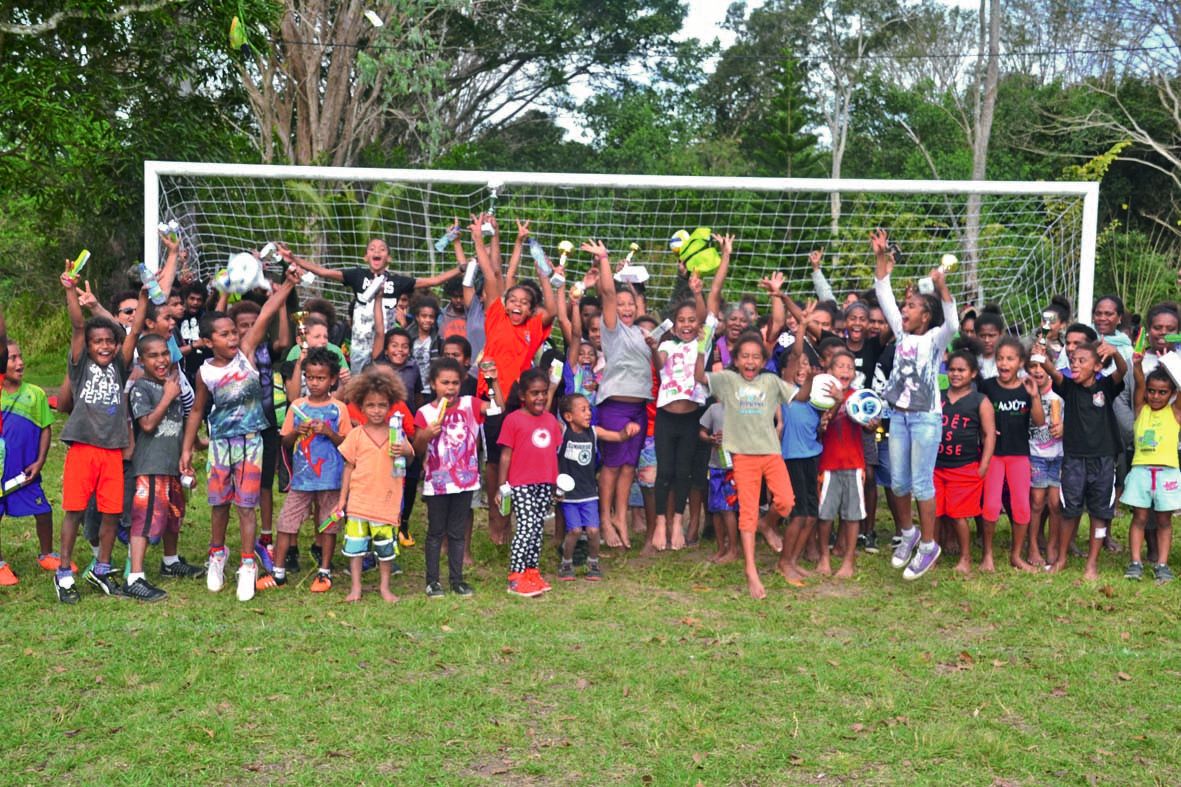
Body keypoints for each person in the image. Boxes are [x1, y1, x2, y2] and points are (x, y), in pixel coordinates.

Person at [180, 271, 296, 602]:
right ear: (208, 340)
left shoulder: (246, 353)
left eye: (234, 333)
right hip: (220, 444)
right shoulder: (205, 372)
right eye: (224, 334)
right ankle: (218, 553)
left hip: (250, 442)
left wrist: (286, 287)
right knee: (219, 504)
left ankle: (248, 563)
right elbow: (198, 412)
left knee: (247, 505)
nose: (233, 338)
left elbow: (266, 314)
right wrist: (187, 449)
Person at [694, 315, 811, 600]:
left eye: (755, 357)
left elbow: (802, 396)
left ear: (763, 360)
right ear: (735, 359)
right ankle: (751, 571)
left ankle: (767, 524)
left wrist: (810, 374)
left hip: (771, 453)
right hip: (743, 457)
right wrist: (701, 346)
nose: (749, 362)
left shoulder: (771, 382)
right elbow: (699, 376)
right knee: (746, 514)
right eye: (744, 356)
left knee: (785, 501)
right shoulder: (728, 380)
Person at [872, 229, 959, 581]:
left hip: (925, 419)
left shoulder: (936, 341)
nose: (903, 310)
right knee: (898, 482)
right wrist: (880, 256)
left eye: (911, 307)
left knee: (922, 484)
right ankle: (907, 535)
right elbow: (882, 292)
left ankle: (928, 545)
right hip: (899, 417)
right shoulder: (901, 333)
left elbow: (952, 322)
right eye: (904, 307)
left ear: (925, 317)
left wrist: (940, 288)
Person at [54, 266, 139, 603]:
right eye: (97, 342)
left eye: (109, 342)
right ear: (87, 347)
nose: (104, 346)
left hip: (112, 450)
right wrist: (70, 291)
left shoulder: (120, 364)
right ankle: (63, 573)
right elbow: (78, 325)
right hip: (83, 448)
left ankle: (102, 568)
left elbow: (129, 332)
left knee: (111, 512)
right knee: (74, 509)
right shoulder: (80, 363)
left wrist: (145, 295)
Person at [277, 239, 462, 373]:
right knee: (359, 386)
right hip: (361, 346)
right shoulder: (358, 276)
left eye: (382, 249)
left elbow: (434, 280)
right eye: (372, 248)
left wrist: (461, 268)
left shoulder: (397, 281)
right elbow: (324, 272)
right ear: (366, 256)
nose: (377, 251)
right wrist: (295, 259)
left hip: (385, 347)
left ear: (388, 257)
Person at [579, 239, 654, 550]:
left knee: (628, 467)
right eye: (621, 305)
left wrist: (629, 279)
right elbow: (609, 293)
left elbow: (634, 299)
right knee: (611, 466)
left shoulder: (642, 332)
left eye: (630, 305)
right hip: (614, 407)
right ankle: (605, 520)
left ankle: (621, 518)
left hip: (639, 409)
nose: (625, 308)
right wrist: (605, 260)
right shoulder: (612, 329)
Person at [1037, 338, 1126, 578]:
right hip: (1074, 460)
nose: (1075, 364)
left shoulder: (1105, 387)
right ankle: (1062, 558)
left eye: (1081, 361)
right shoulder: (1069, 388)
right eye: (1073, 360)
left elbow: (1123, 370)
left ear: (1097, 367)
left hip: (1104, 461)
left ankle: (1092, 564)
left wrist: (1115, 353)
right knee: (1070, 510)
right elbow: (1053, 372)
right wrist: (1041, 356)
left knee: (1099, 513)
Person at [413, 357, 501, 598]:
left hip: (465, 481)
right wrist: (427, 434)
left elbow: (496, 408)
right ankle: (432, 581)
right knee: (435, 532)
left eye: (454, 383)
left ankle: (457, 580)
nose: (450, 388)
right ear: (433, 384)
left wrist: (493, 381)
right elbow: (417, 448)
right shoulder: (424, 413)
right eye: (444, 383)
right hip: (437, 484)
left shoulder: (469, 404)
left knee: (457, 532)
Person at [275, 347, 350, 592]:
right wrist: (298, 430)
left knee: (328, 525)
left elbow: (347, 444)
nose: (314, 383)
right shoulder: (297, 406)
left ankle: (324, 571)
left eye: (320, 378)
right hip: (302, 479)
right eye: (310, 377)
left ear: (332, 379)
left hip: (330, 479)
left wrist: (329, 432)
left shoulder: (338, 408)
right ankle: (278, 572)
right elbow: (285, 442)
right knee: (287, 522)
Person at [336, 370, 413, 602]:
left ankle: (384, 587)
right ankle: (356, 587)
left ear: (390, 405)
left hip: (386, 502)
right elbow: (348, 468)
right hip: (359, 502)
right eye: (371, 405)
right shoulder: (356, 435)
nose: (377, 410)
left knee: (385, 549)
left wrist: (406, 450)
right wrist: (342, 500)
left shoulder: (396, 434)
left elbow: (410, 457)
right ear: (361, 405)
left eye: (382, 405)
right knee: (356, 548)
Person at [651, 281, 711, 551]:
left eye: (692, 320)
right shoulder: (667, 345)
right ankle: (661, 523)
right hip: (666, 417)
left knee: (683, 472)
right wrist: (653, 347)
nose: (687, 324)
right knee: (664, 472)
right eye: (681, 320)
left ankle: (678, 523)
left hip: (690, 418)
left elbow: (705, 313)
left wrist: (698, 292)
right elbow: (660, 365)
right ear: (674, 324)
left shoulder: (702, 345)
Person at [555, 393, 640, 582]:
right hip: (569, 496)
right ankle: (566, 563)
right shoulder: (562, 432)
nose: (588, 413)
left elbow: (618, 436)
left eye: (589, 409)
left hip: (589, 494)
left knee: (593, 531)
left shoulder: (594, 432)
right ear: (568, 416)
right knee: (575, 531)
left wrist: (628, 429)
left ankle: (593, 563)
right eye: (583, 410)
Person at [978, 337, 1045, 572]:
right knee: (992, 505)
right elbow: (977, 416)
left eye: (1010, 359)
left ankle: (1016, 555)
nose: (1004, 363)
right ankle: (987, 555)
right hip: (994, 455)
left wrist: (1035, 395)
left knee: (1021, 506)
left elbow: (1039, 421)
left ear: (1020, 362)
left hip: (1018, 455)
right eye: (1000, 358)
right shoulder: (987, 387)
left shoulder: (1027, 387)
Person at [1, 336, 63, 585]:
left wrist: (40, 461)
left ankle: (47, 553)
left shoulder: (36, 394)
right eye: (12, 358)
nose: (20, 362)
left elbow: (45, 428)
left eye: (20, 356)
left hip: (25, 473)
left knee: (44, 511)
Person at [497, 368, 562, 597]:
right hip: (520, 483)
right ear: (523, 396)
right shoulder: (513, 420)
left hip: (545, 483)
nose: (540, 398)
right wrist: (502, 485)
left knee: (536, 528)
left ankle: (531, 571)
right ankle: (515, 577)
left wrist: (557, 484)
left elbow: (553, 453)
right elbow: (506, 455)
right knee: (524, 528)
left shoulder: (552, 421)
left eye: (544, 392)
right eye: (534, 393)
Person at [1120, 355, 1180, 583]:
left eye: (1162, 392)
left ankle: (1162, 564)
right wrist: (1136, 365)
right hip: (1141, 472)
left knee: (1164, 521)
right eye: (1152, 391)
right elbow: (1139, 381)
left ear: (1172, 393)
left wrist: (1170, 365)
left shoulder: (1175, 412)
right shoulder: (1140, 409)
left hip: (1168, 474)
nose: (1155, 396)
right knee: (1139, 518)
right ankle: (1135, 562)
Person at [935, 346, 995, 575]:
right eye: (951, 369)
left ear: (972, 373)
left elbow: (989, 435)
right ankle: (931, 553)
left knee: (959, 516)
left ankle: (965, 557)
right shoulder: (938, 397)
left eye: (961, 370)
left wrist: (984, 465)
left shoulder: (980, 401)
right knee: (935, 513)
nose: (955, 374)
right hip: (936, 466)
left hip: (965, 467)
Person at [815, 349, 871, 580]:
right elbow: (821, 428)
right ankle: (824, 557)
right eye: (840, 366)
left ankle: (849, 560)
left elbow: (869, 425)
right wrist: (836, 404)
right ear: (829, 371)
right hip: (828, 464)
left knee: (852, 515)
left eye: (850, 367)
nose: (846, 370)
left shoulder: (860, 397)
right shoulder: (819, 396)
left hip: (854, 463)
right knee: (825, 514)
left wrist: (872, 422)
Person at [776, 348, 820, 586]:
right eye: (798, 364)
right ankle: (784, 561)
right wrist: (801, 328)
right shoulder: (787, 391)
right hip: (793, 458)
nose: (802, 368)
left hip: (812, 457)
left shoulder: (816, 399)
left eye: (807, 364)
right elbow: (794, 359)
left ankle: (792, 560)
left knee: (811, 515)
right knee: (799, 514)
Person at [1026, 357, 1063, 567]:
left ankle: (1052, 545)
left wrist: (1064, 428)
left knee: (1055, 504)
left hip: (1058, 456)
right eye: (1032, 366)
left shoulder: (1059, 396)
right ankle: (1032, 545)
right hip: (1036, 455)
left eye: (1042, 365)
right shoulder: (1026, 395)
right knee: (1037, 502)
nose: (1038, 370)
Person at [699, 401, 738, 565]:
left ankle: (733, 549)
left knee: (728, 509)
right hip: (715, 465)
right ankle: (721, 547)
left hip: (733, 468)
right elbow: (701, 431)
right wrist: (710, 438)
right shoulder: (714, 409)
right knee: (715, 509)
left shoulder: (742, 410)